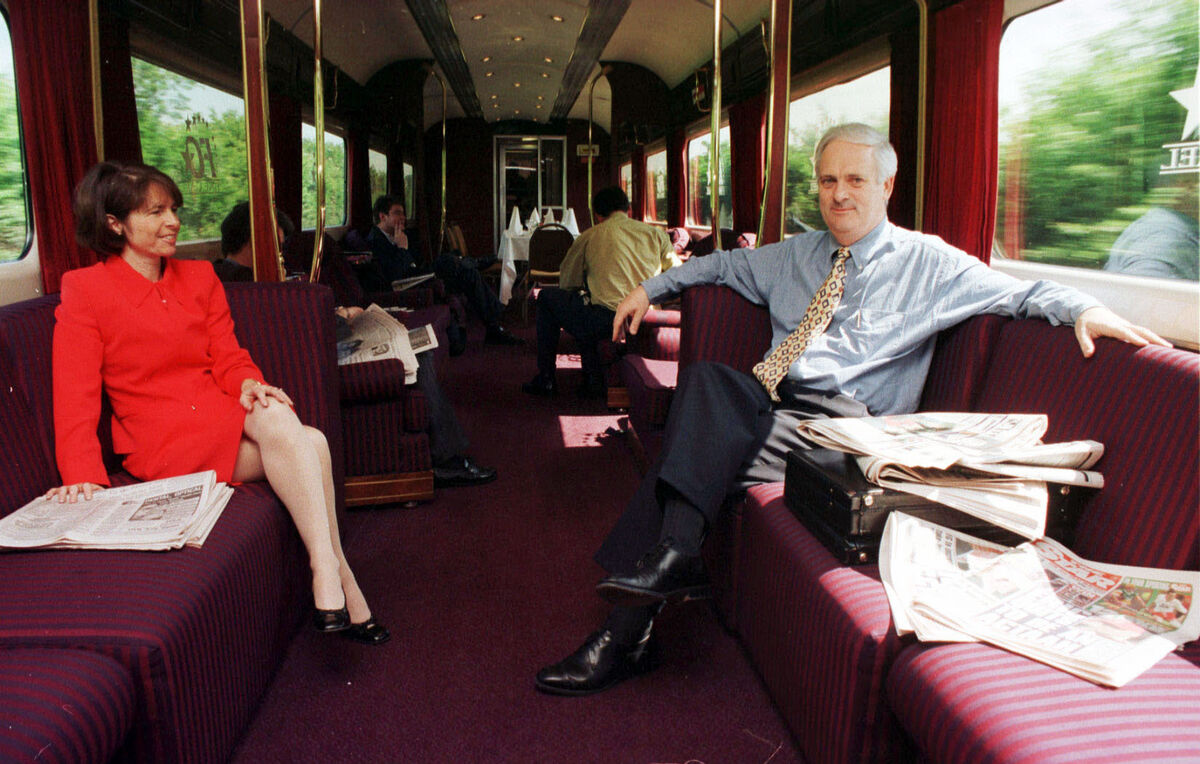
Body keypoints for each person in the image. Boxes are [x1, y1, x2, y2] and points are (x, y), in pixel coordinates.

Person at [534, 123, 1170, 696]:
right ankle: (672, 562)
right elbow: (723, 264)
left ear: (887, 184)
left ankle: (627, 630)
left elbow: (1025, 292)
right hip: (771, 400)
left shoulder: (931, 263)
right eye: (829, 179)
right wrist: (650, 286)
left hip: (847, 429)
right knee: (708, 387)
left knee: (696, 445)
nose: (840, 194)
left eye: (856, 179)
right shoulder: (794, 254)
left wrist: (1084, 309)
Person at [49, 161, 389, 646]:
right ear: (114, 222)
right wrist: (81, 472)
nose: (174, 222)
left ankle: (327, 572)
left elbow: (228, 355)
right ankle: (341, 580)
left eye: (174, 210)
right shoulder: (85, 291)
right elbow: (74, 391)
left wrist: (250, 382)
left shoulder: (199, 277)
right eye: (156, 212)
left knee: (288, 422)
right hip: (159, 438)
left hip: (218, 411)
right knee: (307, 442)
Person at [216, 202, 497, 488]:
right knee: (416, 355)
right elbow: (294, 332)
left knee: (416, 345)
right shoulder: (248, 287)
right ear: (253, 240)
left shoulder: (248, 278)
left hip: (317, 350)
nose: (280, 256)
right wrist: (340, 316)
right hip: (310, 365)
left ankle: (443, 453)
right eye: (276, 246)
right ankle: (446, 459)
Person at [522, 186, 681, 398]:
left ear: (597, 215)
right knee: (589, 305)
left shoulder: (589, 237)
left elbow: (568, 282)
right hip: (647, 318)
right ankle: (591, 377)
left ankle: (547, 379)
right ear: (629, 210)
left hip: (606, 321)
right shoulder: (657, 235)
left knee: (548, 298)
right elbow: (678, 276)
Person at [368, 196, 522, 346]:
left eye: (403, 213)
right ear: (383, 216)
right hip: (409, 283)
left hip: (418, 274)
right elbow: (395, 274)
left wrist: (403, 247)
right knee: (450, 262)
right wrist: (401, 248)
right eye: (397, 213)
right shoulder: (376, 240)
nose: (402, 217)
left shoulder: (399, 235)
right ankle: (477, 264)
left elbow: (414, 261)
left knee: (467, 272)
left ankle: (493, 328)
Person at [212, 201, 296, 282]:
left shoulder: (213, 275)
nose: (279, 255)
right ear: (254, 242)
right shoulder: (253, 285)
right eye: (276, 246)